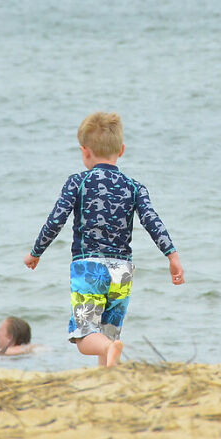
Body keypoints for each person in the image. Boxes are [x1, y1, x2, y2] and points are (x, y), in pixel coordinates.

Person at [23, 112, 184, 368]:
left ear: (84, 151)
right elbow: (153, 221)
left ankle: (108, 348)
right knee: (108, 333)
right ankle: (107, 376)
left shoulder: (78, 182)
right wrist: (172, 256)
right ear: (121, 150)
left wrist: (36, 252)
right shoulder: (134, 187)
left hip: (90, 268)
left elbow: (57, 219)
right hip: (122, 271)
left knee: (85, 336)